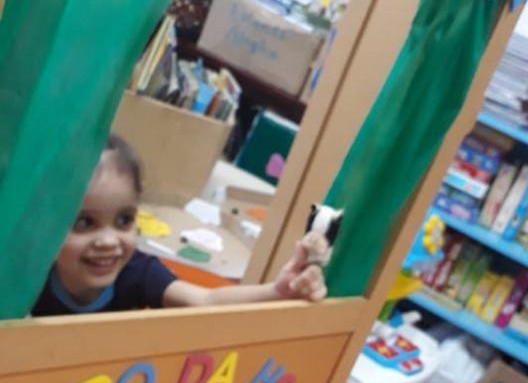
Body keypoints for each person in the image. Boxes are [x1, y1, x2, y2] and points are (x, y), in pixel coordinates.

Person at [31, 134, 327, 316]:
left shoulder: (136, 272)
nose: (109, 241)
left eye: (124, 220)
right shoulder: (27, 276)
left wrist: (277, 291)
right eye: (85, 222)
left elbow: (206, 301)